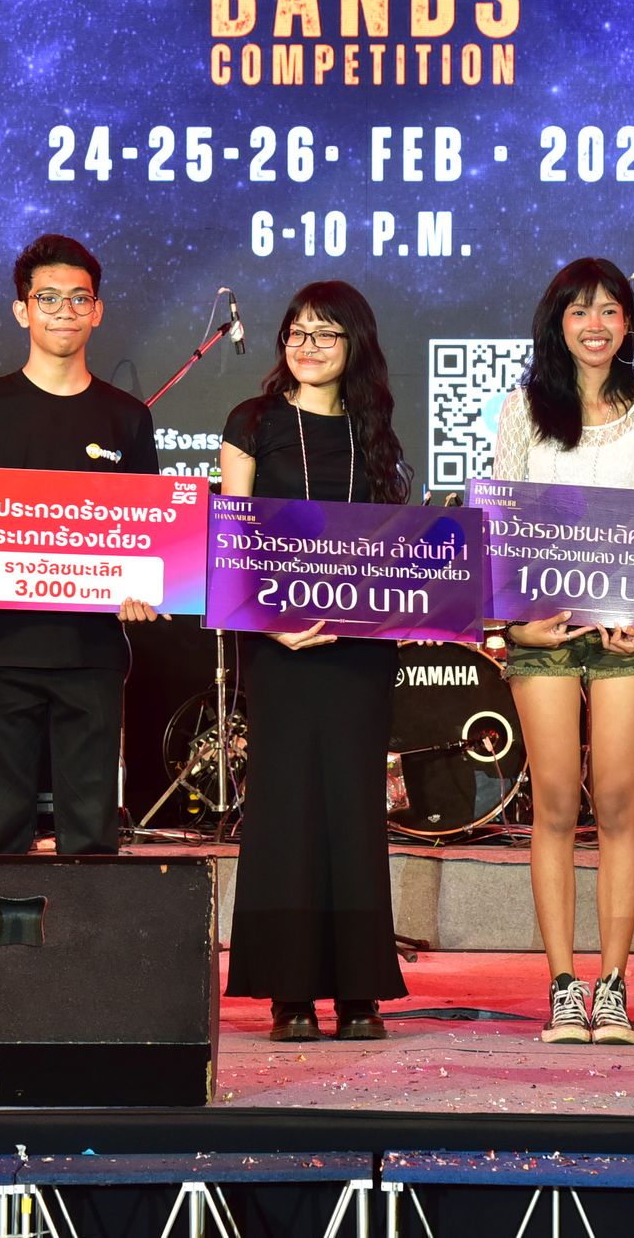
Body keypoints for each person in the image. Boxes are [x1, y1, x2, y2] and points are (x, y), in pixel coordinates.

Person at [0, 234, 162, 856]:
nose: (64, 311)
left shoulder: (128, 418)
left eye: (79, 298)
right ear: (22, 310)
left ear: (98, 311)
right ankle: (5, 925)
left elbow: (149, 534)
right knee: (0, 834)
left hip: (93, 650)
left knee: (92, 835)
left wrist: (147, 590)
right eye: (48, 298)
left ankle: (89, 925)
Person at [490, 258, 634, 1046]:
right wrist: (514, 627)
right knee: (554, 804)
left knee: (615, 802)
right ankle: (562, 986)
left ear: (627, 323)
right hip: (544, 634)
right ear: (558, 323)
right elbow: (501, 526)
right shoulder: (522, 409)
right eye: (580, 311)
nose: (595, 324)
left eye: (609, 310)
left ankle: (613, 986)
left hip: (626, 633)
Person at [218, 282, 411, 1042]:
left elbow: (394, 550)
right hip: (279, 648)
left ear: (354, 345)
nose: (308, 346)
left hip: (360, 652)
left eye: (326, 334)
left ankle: (359, 990)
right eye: (297, 332)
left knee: (355, 808)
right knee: (287, 809)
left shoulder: (376, 432)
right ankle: (289, 991)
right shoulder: (253, 422)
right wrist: (271, 624)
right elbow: (231, 542)